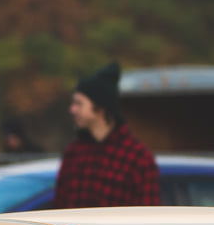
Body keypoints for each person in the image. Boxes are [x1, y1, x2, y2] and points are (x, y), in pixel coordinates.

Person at [52, 62, 159, 209]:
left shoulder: (137, 157)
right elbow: (59, 206)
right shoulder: (74, 153)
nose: (72, 109)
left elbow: (147, 213)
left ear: (99, 108)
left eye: (79, 103)